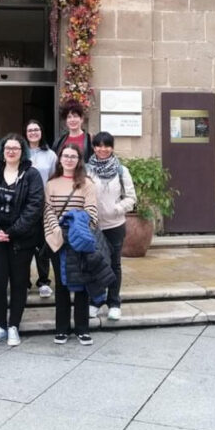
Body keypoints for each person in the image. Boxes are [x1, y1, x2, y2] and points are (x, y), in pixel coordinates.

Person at [0, 134, 45, 347]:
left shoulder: (31, 175)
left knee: (18, 283)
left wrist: (14, 231)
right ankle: (0, 326)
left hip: (21, 240)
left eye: (16, 148)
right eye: (8, 148)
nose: (11, 151)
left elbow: (35, 206)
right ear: (2, 150)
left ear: (22, 151)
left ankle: (14, 325)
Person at [43, 143, 99, 345]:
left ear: (78, 160)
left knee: (82, 283)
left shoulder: (87, 184)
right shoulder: (51, 184)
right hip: (57, 239)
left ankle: (82, 329)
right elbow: (47, 210)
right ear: (60, 159)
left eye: (73, 156)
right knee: (61, 284)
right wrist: (57, 230)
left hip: (79, 239)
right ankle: (62, 329)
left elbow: (92, 211)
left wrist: (76, 227)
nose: (68, 159)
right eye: (65, 156)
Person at [86, 132, 137, 321]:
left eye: (106, 145)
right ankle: (96, 301)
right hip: (94, 226)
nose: (102, 149)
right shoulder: (86, 170)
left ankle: (114, 302)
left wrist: (117, 208)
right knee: (95, 264)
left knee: (115, 264)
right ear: (93, 147)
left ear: (112, 147)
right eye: (98, 145)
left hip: (115, 224)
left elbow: (131, 198)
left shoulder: (121, 170)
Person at [26, 119, 57, 298]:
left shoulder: (51, 155)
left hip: (44, 205)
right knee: (25, 245)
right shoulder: (22, 153)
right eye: (30, 130)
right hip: (24, 206)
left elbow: (53, 178)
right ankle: (25, 281)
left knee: (43, 245)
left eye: (36, 130)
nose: (33, 133)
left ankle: (44, 281)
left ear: (41, 132)